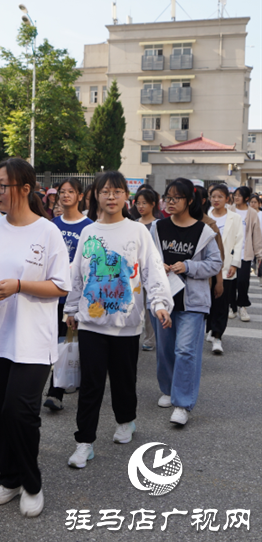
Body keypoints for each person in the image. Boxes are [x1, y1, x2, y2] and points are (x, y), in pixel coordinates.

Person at [0, 158, 71, 518]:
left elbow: (60, 286)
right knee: (4, 409)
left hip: (32, 340)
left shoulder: (48, 232)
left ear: (25, 189)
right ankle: (9, 478)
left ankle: (32, 483)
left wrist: (18, 286)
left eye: (2, 186)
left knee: (21, 411)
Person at [64, 172, 172, 469]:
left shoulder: (138, 231)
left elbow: (152, 269)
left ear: (127, 197)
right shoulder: (89, 232)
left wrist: (159, 303)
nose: (111, 197)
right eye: (105, 191)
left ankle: (126, 420)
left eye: (117, 191)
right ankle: (84, 442)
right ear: (95, 196)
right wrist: (71, 309)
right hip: (91, 323)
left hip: (127, 325)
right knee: (91, 385)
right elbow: (77, 274)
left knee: (124, 382)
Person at [151, 178, 222, 426]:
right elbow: (147, 259)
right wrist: (158, 265)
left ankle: (182, 403)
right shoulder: (158, 227)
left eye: (175, 198)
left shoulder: (204, 231)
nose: (169, 202)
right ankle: (168, 390)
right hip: (164, 298)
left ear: (189, 201)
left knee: (185, 351)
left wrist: (188, 266)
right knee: (165, 349)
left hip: (193, 301)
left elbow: (215, 263)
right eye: (167, 197)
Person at [44, 177, 93, 411]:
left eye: (70, 192)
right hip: (51, 293)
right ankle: (59, 386)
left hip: (76, 297)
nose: (65, 196)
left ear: (80, 196)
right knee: (52, 342)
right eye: (62, 192)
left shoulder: (89, 226)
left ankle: (56, 392)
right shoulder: (51, 224)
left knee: (68, 343)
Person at [207, 184, 243, 355]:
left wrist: (235, 263)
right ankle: (209, 328)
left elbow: (239, 241)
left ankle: (217, 336)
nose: (216, 200)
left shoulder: (234, 218)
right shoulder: (205, 216)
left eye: (220, 196)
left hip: (226, 265)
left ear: (227, 199)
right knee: (209, 301)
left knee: (222, 302)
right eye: (213, 196)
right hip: (207, 267)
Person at [229, 186, 262, 321]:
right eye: (235, 195)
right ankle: (233, 306)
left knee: (243, 281)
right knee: (231, 282)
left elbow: (256, 235)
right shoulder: (229, 210)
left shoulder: (252, 213)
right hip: (230, 253)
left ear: (246, 198)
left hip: (245, 253)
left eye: (239, 195)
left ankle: (243, 306)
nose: (236, 197)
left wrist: (259, 254)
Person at [134, 188, 159, 351]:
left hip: (150, 271)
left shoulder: (158, 225)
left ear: (153, 204)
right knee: (135, 306)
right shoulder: (133, 224)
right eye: (138, 203)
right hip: (134, 272)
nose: (141, 206)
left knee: (150, 308)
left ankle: (150, 339)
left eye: (144, 203)